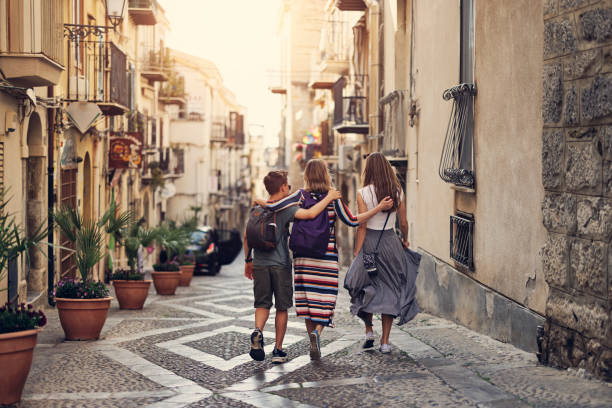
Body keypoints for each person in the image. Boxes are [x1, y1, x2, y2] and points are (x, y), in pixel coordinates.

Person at [262, 159, 393, 360]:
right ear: (325, 175)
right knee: (326, 300)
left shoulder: (299, 196)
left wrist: (258, 201)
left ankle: (311, 338)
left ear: (307, 176)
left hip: (303, 258)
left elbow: (276, 206)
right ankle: (318, 333)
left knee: (307, 301)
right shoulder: (334, 197)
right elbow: (352, 220)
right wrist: (378, 208)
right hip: (326, 256)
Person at [243, 170, 341, 364]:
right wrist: (329, 197)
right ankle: (278, 350)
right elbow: (311, 213)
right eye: (288, 185)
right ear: (282, 188)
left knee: (262, 304)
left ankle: (258, 331)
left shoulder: (257, 208)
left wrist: (248, 261)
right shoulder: (286, 209)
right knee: (281, 308)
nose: (290, 188)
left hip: (260, 264)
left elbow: (247, 236)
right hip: (280, 265)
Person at [344, 152, 421, 354]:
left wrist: (357, 251)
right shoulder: (397, 191)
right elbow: (403, 222)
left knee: (360, 285)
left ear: (368, 170)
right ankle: (385, 342)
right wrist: (404, 239)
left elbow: (362, 226)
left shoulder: (363, 193)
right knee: (390, 290)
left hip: (369, 243)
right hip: (391, 244)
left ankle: (369, 329)